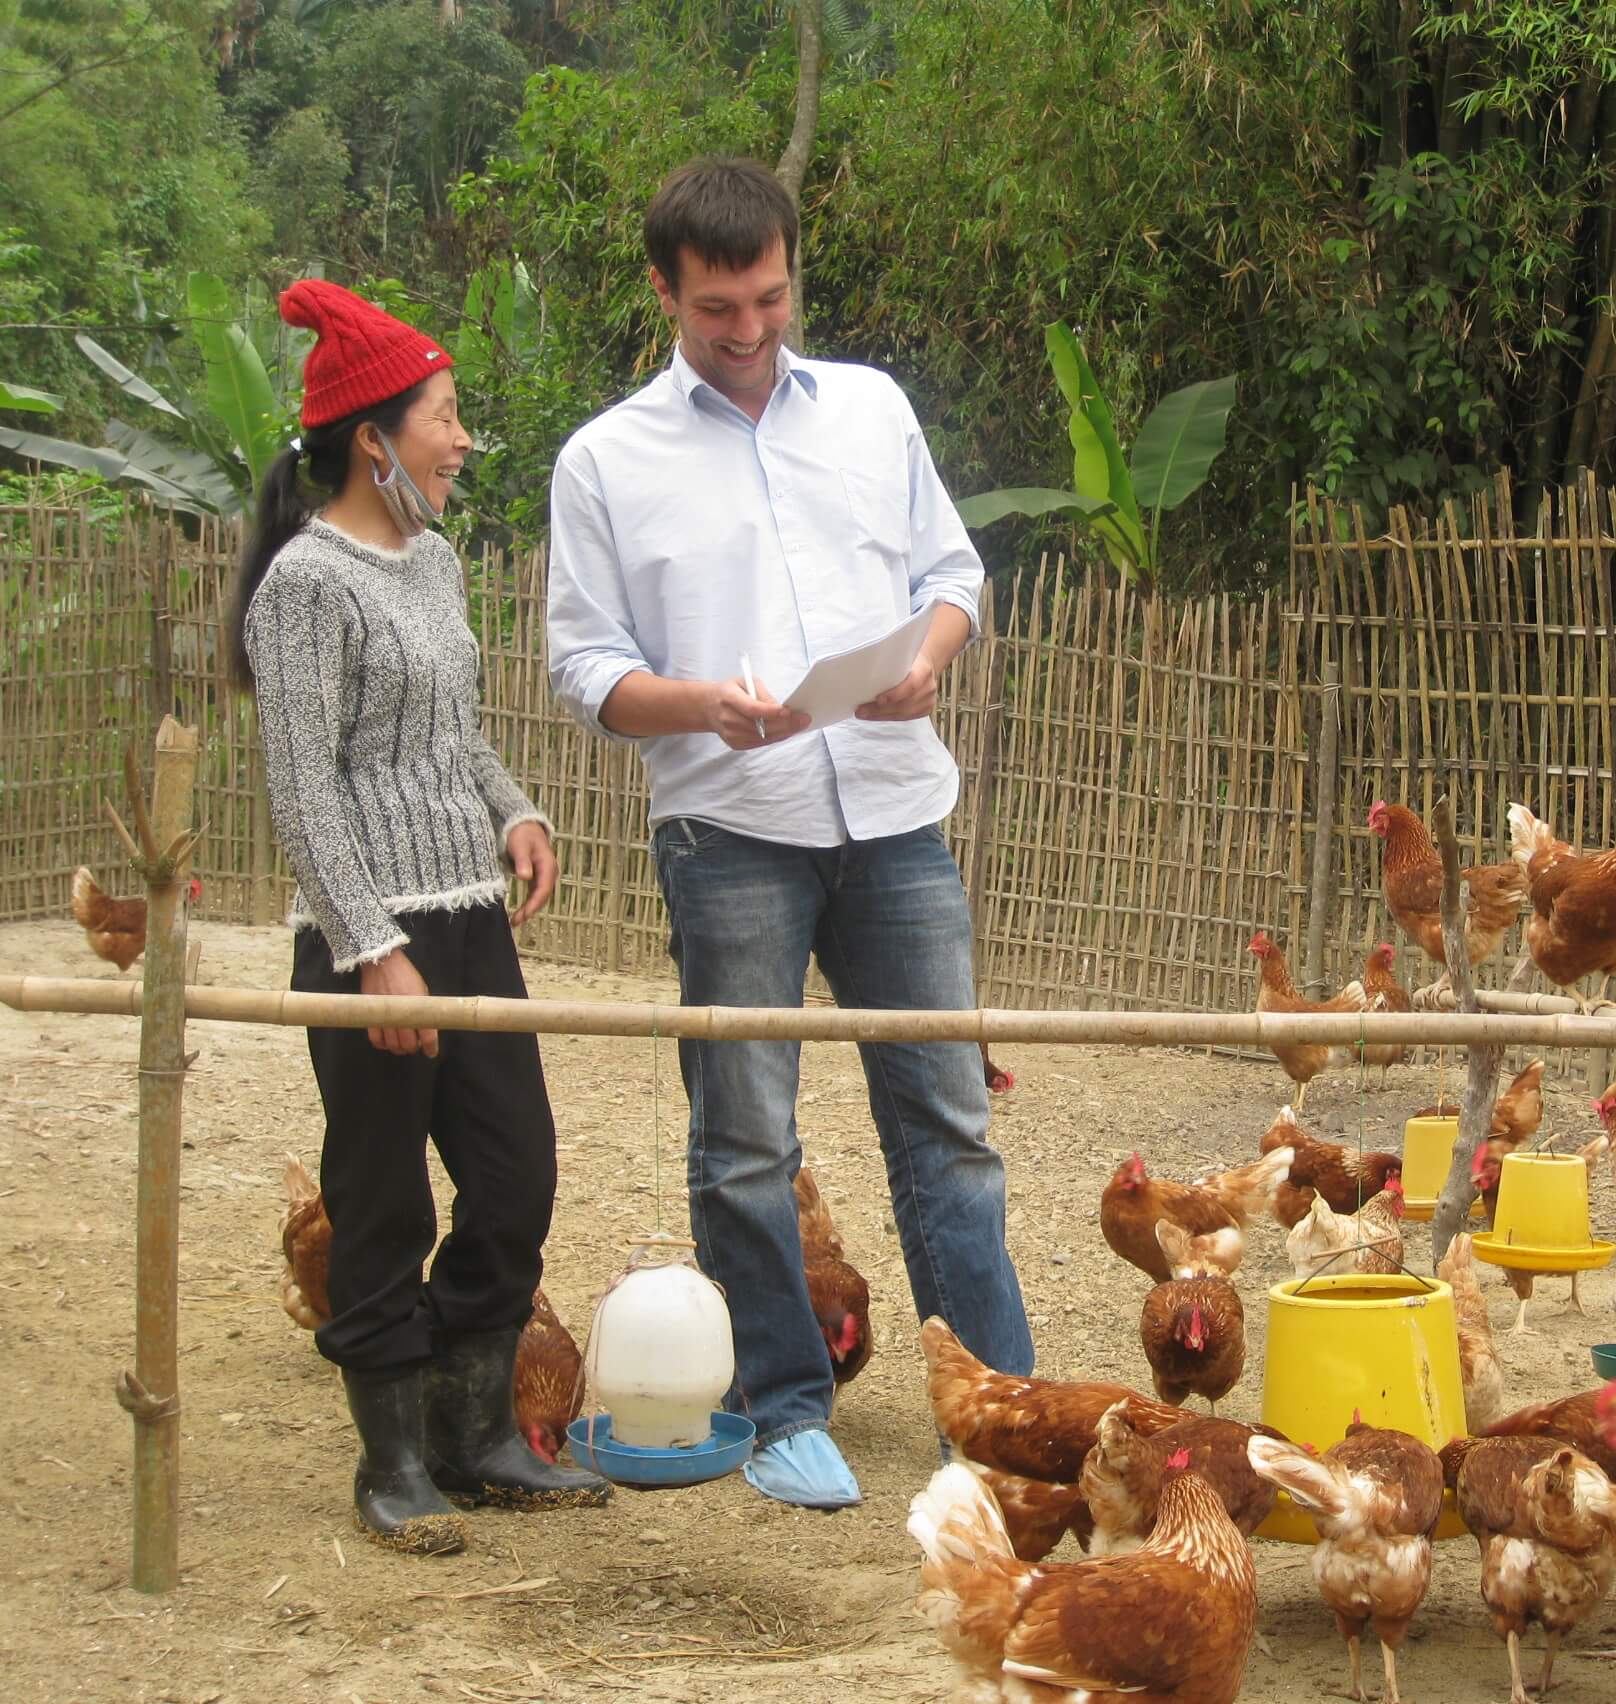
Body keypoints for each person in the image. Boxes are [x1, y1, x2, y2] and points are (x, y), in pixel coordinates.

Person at [546, 155, 1033, 1510]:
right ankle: (780, 1406)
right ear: (664, 291)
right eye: (717, 309)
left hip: (895, 811)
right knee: (747, 1131)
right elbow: (585, 670)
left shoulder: (873, 412)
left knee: (945, 1120)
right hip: (731, 826)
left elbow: (953, 575)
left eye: (767, 297)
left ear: (789, 273)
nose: (749, 330)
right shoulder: (604, 461)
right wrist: (697, 703)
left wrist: (931, 657)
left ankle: (994, 1408)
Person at [228, 279, 609, 1553]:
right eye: (445, 418)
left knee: (517, 1173)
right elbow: (304, 783)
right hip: (368, 938)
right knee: (382, 1196)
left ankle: (475, 1429)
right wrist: (370, 950)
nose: (461, 442)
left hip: (467, 921)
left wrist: (515, 809)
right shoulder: (303, 586)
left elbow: (449, 738)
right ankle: (392, 1463)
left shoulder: (434, 561)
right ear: (371, 440)